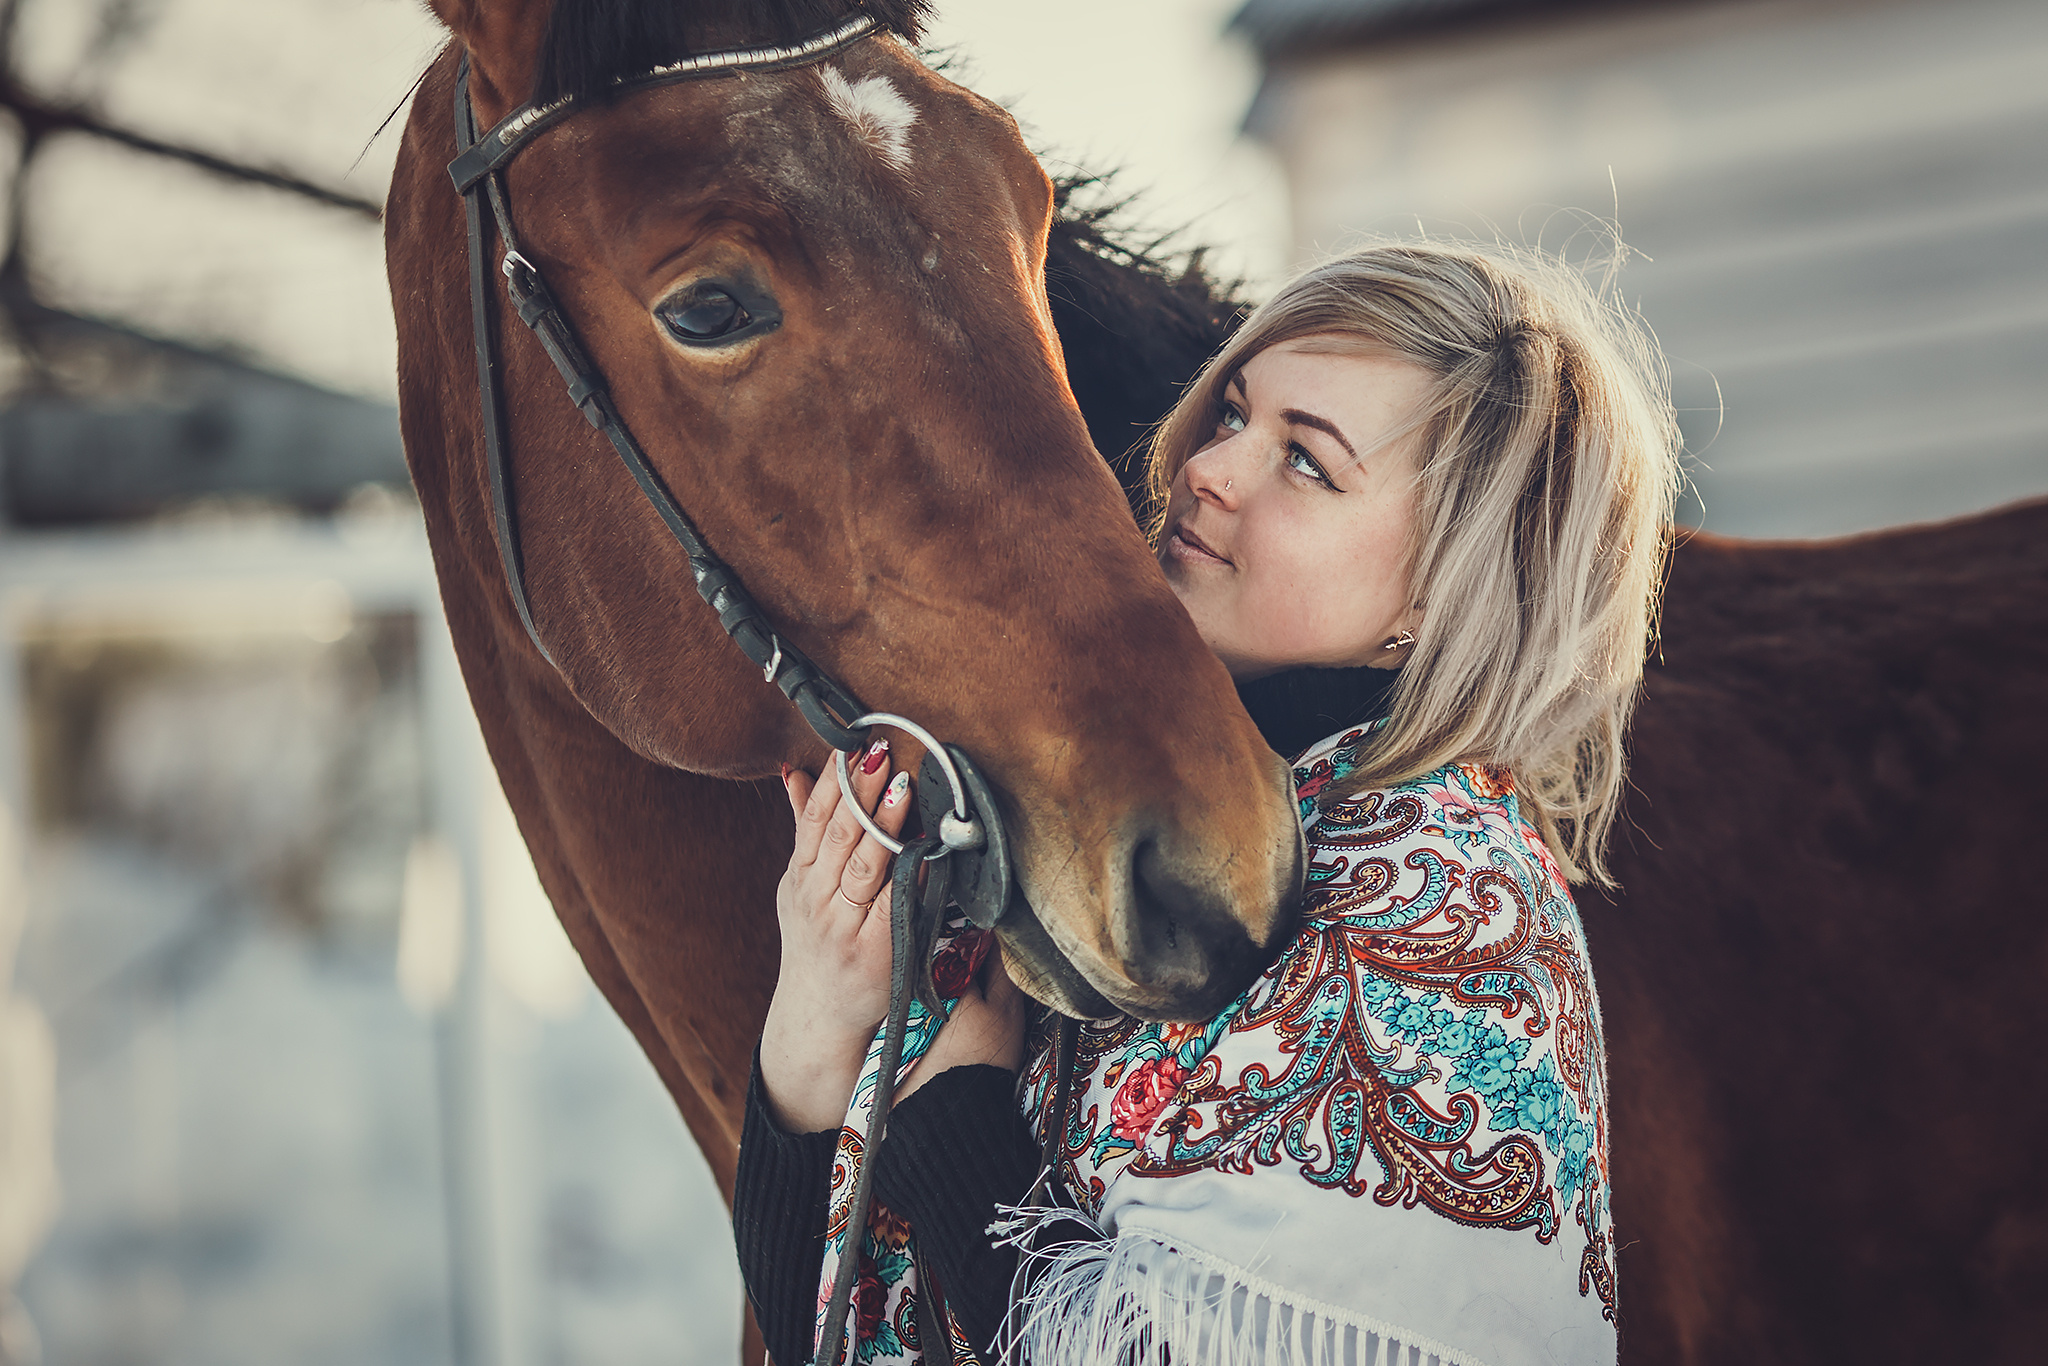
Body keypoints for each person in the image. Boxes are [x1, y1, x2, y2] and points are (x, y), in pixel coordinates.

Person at [733, 239, 1680, 1366]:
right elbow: (808, 1333)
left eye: (1308, 464)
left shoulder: (1453, 916)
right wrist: (812, 1024)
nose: (1211, 468)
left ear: (1442, 591)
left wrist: (958, 1116)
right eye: (1234, 412)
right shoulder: (1126, 815)